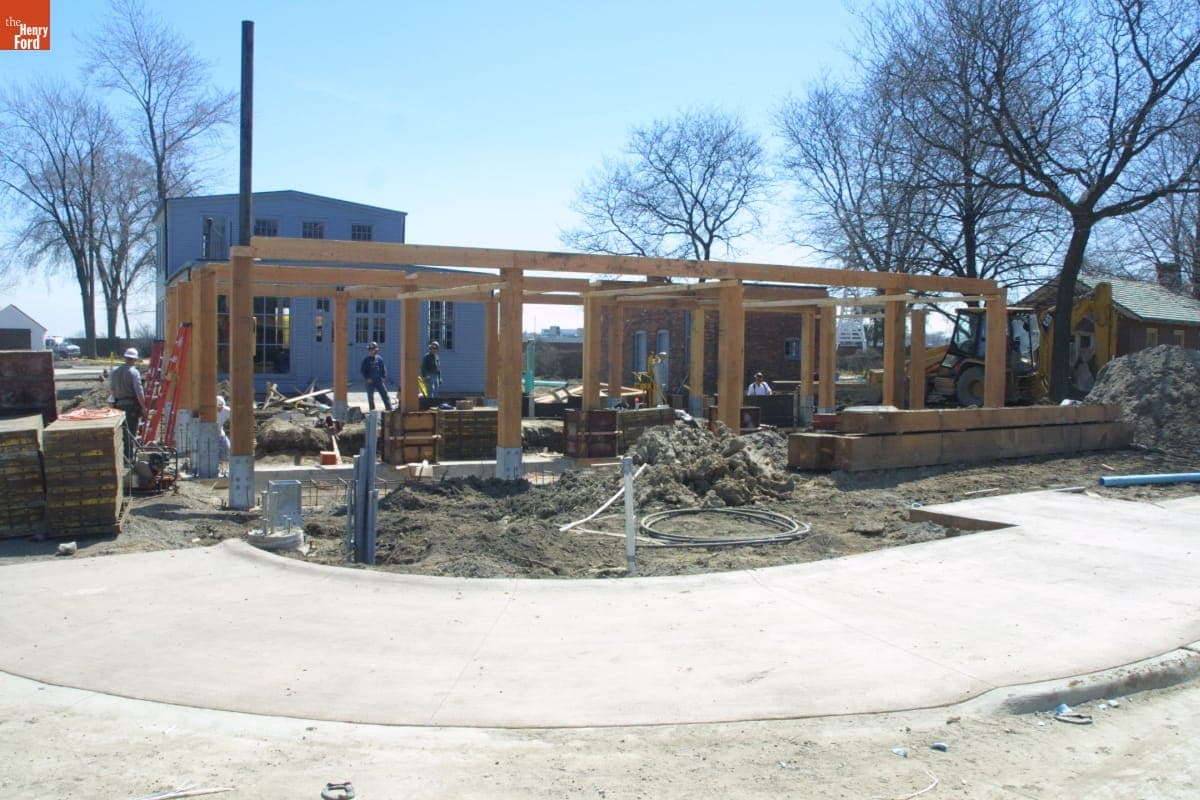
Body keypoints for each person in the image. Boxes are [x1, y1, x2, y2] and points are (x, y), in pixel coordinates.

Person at [110, 347, 147, 459]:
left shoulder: (115, 372)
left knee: (121, 433)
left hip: (118, 405)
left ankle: (123, 457)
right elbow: (139, 391)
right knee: (130, 433)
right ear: (134, 359)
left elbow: (112, 390)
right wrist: (143, 407)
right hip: (130, 406)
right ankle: (129, 459)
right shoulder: (133, 372)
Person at [359, 342, 392, 411]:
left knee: (385, 394)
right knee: (370, 397)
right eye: (374, 350)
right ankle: (372, 411)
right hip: (370, 382)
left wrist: (383, 376)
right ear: (370, 350)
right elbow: (363, 370)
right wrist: (367, 378)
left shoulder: (379, 358)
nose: (376, 351)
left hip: (379, 380)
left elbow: (383, 368)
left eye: (376, 350)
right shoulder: (366, 360)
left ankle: (389, 408)